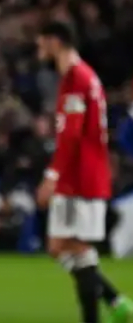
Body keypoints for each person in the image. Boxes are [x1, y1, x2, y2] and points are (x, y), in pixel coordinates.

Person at [35, 21, 132, 323]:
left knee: (76, 249)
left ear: (55, 41)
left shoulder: (77, 77)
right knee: (61, 247)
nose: (38, 47)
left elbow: (72, 134)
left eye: (41, 41)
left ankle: (99, 313)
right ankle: (115, 301)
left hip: (79, 177)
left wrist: (52, 176)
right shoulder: (79, 76)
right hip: (81, 174)